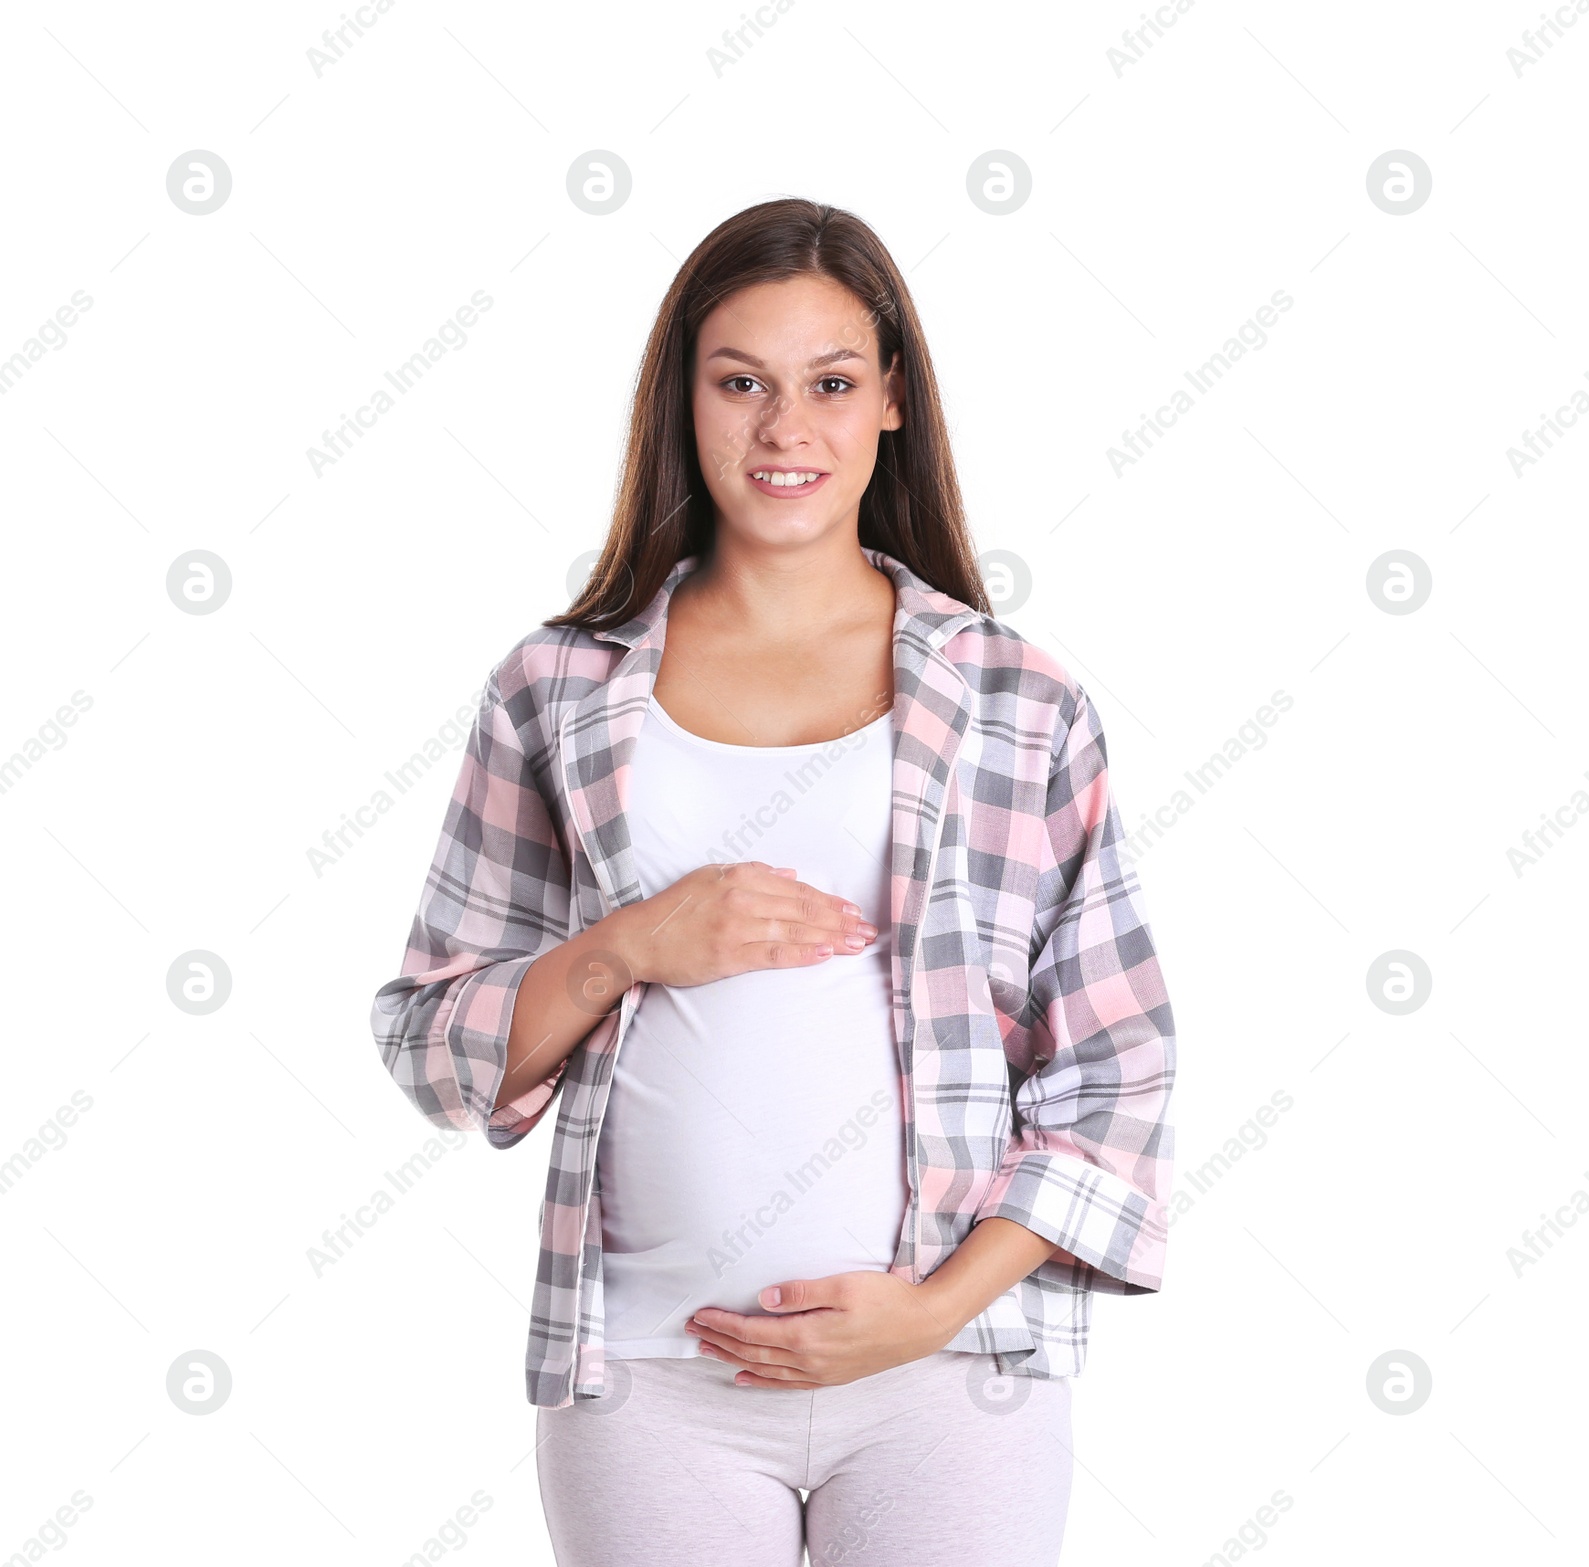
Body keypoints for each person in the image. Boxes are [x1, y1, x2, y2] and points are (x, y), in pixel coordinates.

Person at [370, 197, 1177, 1567]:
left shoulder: (1017, 699)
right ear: (682, 400)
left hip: (945, 1384)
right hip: (649, 1380)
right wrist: (629, 944)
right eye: (741, 381)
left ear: (892, 406)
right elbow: (433, 1046)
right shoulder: (557, 689)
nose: (785, 429)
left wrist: (927, 1312)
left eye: (830, 383)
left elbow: (1115, 1076)